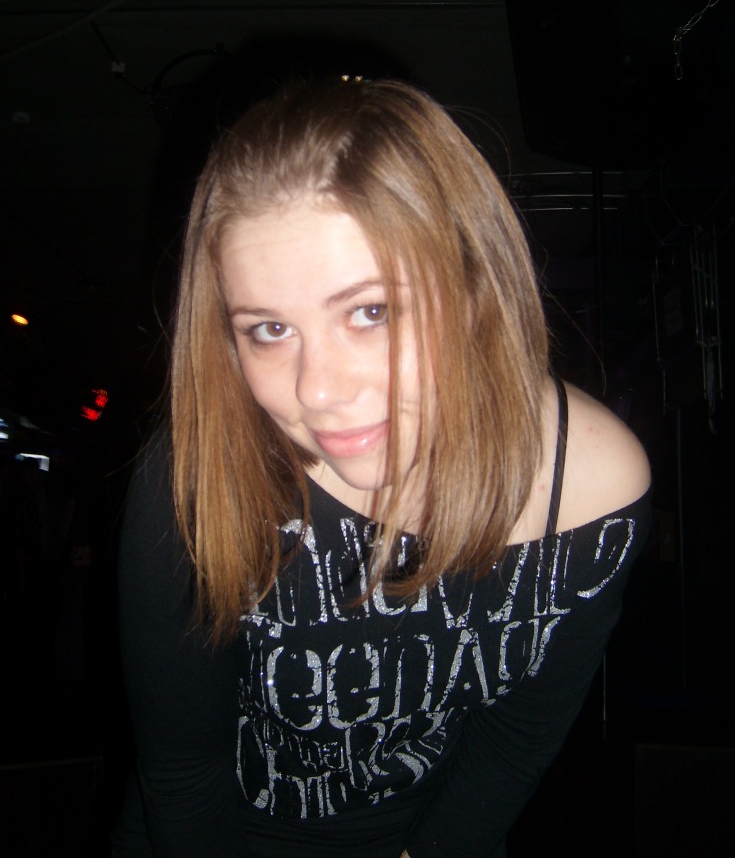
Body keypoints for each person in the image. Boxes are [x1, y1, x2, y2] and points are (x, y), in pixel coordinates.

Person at [113, 78, 651, 858]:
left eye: (371, 312)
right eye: (268, 330)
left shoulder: (587, 485)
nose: (318, 391)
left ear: (473, 286)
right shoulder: (197, 472)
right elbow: (184, 772)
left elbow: (514, 742)